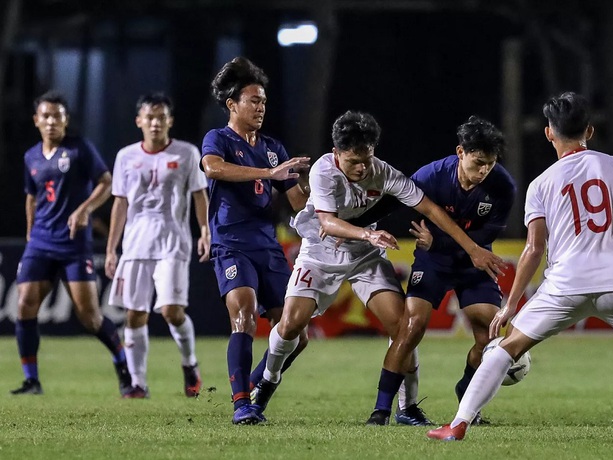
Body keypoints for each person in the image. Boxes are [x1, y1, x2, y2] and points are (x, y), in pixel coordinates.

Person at [427, 91, 613, 442]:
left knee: (505, 347)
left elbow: (534, 248)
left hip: (564, 286)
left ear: (549, 133)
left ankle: (459, 423)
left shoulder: (541, 184)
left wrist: (511, 304)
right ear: (589, 131)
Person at [253, 110, 506, 426]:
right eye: (352, 161)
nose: (360, 168)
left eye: (366, 160)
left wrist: (471, 248)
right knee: (291, 325)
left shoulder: (384, 173)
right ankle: (266, 382)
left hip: (364, 258)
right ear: (336, 154)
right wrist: (368, 233)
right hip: (319, 256)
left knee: (404, 327)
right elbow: (327, 222)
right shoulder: (323, 170)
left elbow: (429, 207)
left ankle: (407, 407)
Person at [348, 115, 516, 426]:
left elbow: (484, 239)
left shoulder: (502, 186)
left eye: (490, 164)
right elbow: (390, 203)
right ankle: (382, 410)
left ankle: (467, 394)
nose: (484, 171)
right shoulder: (431, 175)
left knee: (489, 335)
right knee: (410, 327)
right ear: (460, 152)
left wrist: (436, 241)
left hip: (471, 262)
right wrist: (347, 224)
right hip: (433, 261)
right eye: (478, 162)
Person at [200, 57, 311, 425]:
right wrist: (268, 172)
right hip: (231, 242)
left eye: (263, 101)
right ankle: (241, 404)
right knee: (244, 318)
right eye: (253, 100)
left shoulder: (273, 148)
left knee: (297, 334)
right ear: (233, 105)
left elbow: (298, 203)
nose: (261, 107)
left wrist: (322, 182)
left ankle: (253, 388)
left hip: (268, 246)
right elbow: (213, 168)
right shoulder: (218, 139)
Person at [12, 90, 131, 396]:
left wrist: (85, 209)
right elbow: (31, 196)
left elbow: (106, 182)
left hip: (74, 245)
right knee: (24, 304)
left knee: (89, 317)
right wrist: (30, 231)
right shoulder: (31, 156)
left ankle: (122, 362)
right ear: (37, 120)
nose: (52, 121)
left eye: (58, 116)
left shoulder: (79, 150)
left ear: (65, 120)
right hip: (40, 242)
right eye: (46, 116)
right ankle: (31, 380)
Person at [105, 92, 210, 399]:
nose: (155, 123)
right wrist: (111, 248)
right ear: (139, 121)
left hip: (173, 242)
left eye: (161, 117)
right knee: (134, 315)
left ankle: (190, 364)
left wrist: (204, 231)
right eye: (149, 117)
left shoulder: (187, 153)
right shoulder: (126, 156)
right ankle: (138, 383)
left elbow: (199, 194)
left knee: (171, 311)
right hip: (136, 244)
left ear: (170, 121)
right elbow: (120, 204)